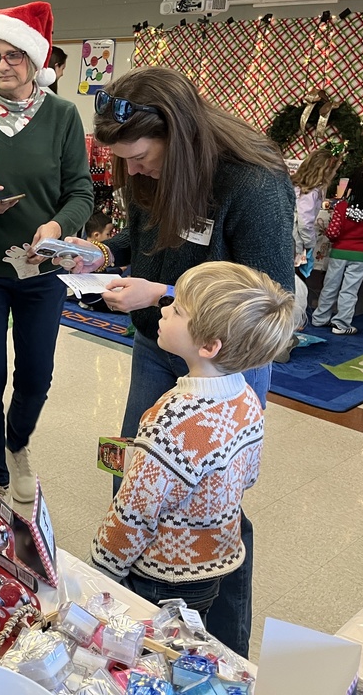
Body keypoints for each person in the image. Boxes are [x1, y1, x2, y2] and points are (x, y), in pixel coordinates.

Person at [62, 66, 294, 658]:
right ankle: (143, 628)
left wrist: (162, 295)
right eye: (124, 161)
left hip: (226, 358)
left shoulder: (253, 182)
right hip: (160, 344)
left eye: (140, 157)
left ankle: (222, 646)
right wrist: (99, 253)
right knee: (142, 475)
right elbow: (146, 246)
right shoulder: (149, 172)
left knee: (214, 505)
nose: (133, 171)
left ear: (179, 135)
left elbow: (265, 299)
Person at [0, 1, 93, 503]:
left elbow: (81, 193)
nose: (2, 66)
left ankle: (17, 441)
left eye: (13, 56)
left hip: (41, 269)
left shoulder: (63, 116)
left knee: (36, 375)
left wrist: (56, 223)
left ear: (34, 59)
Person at [91, 261, 297, 617]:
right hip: (213, 564)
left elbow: (135, 512)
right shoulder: (247, 398)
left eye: (177, 309)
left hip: (159, 572)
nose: (165, 306)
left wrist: (100, 571)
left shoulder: (171, 420)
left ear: (209, 345)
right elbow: (248, 475)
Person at [311, 164, 363, 335]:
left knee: (330, 286)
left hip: (339, 253)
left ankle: (320, 318)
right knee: (350, 290)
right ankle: (341, 324)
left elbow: (332, 233)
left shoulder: (342, 207)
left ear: (352, 183)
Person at [292, 147, 341, 277]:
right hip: (295, 241)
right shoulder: (310, 192)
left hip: (291, 238)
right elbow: (304, 222)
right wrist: (310, 243)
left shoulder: (300, 185)